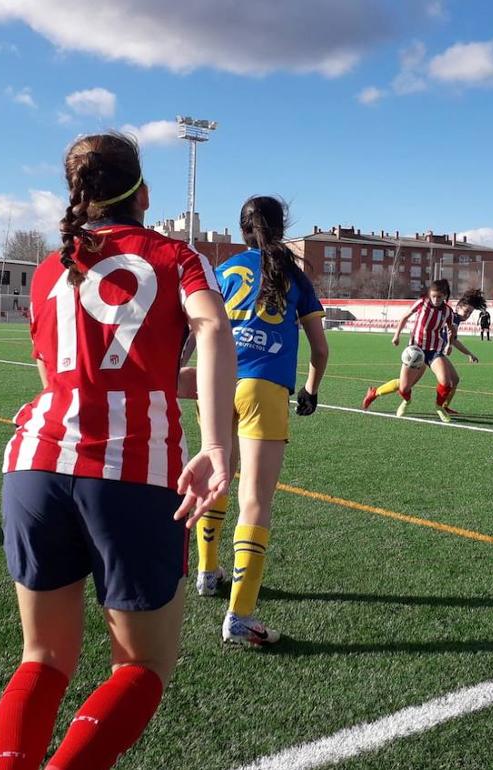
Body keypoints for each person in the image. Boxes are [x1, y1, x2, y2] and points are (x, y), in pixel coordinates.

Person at [0, 132, 236, 770]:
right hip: (133, 471)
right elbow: (210, 326)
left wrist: (158, 382)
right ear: (144, 194)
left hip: (35, 464)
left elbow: (61, 378)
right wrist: (215, 443)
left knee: (41, 659)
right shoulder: (173, 255)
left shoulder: (50, 269)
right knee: (143, 664)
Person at [192, 195, 329, 646]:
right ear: (281, 224)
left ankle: (207, 572)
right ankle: (240, 615)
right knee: (256, 499)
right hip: (264, 388)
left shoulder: (224, 270)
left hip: (218, 382)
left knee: (218, 478)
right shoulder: (294, 274)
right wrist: (310, 388)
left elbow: (197, 331)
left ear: (242, 229)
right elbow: (320, 349)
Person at [360, 278, 459, 423]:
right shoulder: (422, 303)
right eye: (433, 296)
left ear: (445, 296)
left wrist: (449, 344)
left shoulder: (448, 312)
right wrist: (396, 335)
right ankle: (382, 395)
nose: (436, 299)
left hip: (433, 351)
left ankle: (439, 407)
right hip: (415, 350)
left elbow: (451, 329)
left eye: (439, 296)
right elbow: (405, 317)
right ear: (429, 294)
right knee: (404, 387)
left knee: (446, 381)